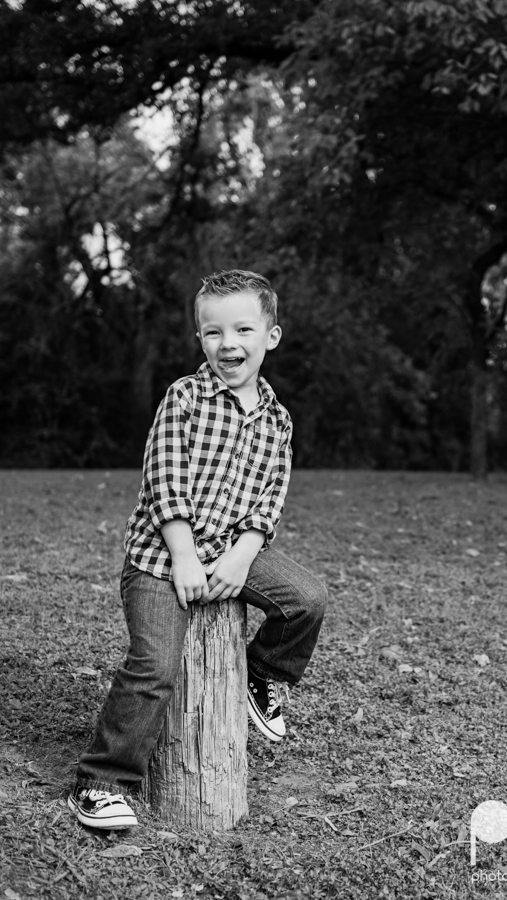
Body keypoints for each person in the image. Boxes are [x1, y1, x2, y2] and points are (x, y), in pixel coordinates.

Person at [68, 270, 327, 830]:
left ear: (271, 336)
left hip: (235, 547)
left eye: (242, 330)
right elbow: (164, 481)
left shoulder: (278, 420)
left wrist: (241, 556)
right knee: (156, 666)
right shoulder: (184, 397)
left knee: (307, 598)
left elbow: (270, 496)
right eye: (212, 333)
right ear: (200, 339)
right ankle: (101, 782)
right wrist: (185, 556)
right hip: (162, 557)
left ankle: (261, 673)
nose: (227, 344)